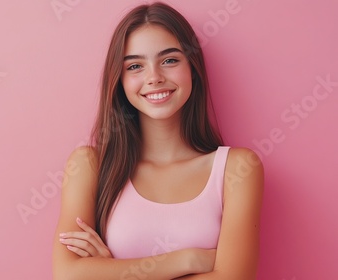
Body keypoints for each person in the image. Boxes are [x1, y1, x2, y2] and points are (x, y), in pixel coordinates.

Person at [52, 2, 264, 279]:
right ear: (119, 80)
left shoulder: (237, 168)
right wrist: (189, 260)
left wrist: (110, 272)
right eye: (135, 66)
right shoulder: (90, 165)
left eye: (170, 60)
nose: (154, 78)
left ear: (193, 68)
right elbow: (68, 275)